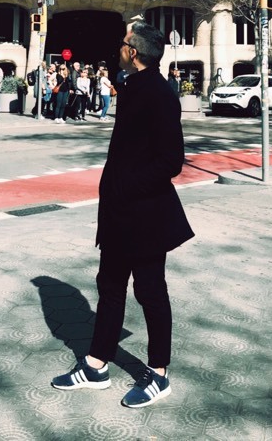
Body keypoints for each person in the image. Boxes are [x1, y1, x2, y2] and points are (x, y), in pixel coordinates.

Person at [51, 21, 194, 408]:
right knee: (110, 287)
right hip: (119, 213)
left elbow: (171, 160)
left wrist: (126, 187)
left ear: (134, 51)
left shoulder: (161, 94)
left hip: (145, 214)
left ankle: (158, 373)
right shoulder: (131, 87)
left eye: (123, 43)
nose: (119, 48)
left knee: (150, 292)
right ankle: (96, 364)